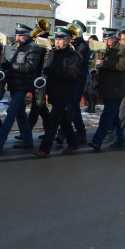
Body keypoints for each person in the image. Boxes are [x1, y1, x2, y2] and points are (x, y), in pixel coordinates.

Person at [33, 27, 82, 158]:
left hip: (65, 93)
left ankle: (45, 149)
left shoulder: (74, 56)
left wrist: (53, 72)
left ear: (67, 40)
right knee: (63, 119)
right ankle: (73, 143)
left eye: (61, 39)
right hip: (54, 91)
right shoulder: (53, 53)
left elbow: (73, 75)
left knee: (53, 120)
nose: (57, 42)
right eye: (56, 39)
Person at [0, 23, 42, 150]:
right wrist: (6, 68)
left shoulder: (33, 47)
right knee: (20, 113)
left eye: (20, 35)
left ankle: (0, 139)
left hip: (24, 85)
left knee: (11, 111)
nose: (17, 37)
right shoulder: (19, 47)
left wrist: (11, 66)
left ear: (26, 35)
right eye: (17, 35)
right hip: (15, 84)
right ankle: (27, 140)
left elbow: (29, 67)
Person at [87, 28, 125, 152]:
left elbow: (122, 65)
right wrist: (94, 66)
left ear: (115, 38)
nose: (105, 41)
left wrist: (105, 63)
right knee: (113, 115)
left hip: (116, 89)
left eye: (108, 38)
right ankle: (120, 139)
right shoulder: (101, 49)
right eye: (104, 38)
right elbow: (94, 64)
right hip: (104, 88)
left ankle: (97, 141)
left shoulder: (122, 50)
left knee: (106, 116)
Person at [62, 19, 89, 144]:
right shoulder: (73, 44)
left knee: (71, 106)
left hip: (79, 79)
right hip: (71, 79)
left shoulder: (83, 45)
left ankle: (61, 133)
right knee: (74, 107)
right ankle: (81, 132)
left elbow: (76, 60)